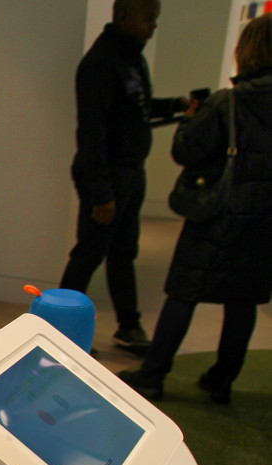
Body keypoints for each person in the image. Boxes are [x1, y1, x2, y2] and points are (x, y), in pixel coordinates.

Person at [119, 13, 272, 405]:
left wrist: (189, 120)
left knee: (183, 293)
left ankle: (153, 375)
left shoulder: (228, 102)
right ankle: (221, 380)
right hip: (262, 219)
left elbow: (185, 151)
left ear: (248, 51)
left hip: (217, 216)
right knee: (243, 300)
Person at [59, 0, 189, 355]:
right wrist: (102, 192)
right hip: (109, 175)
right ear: (123, 16)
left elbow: (135, 109)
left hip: (130, 172)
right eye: (148, 19)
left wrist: (174, 105)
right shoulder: (101, 63)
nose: (153, 26)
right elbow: (92, 133)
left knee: (122, 252)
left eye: (155, 19)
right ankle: (58, 329)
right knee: (89, 253)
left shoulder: (131, 57)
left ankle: (129, 326)